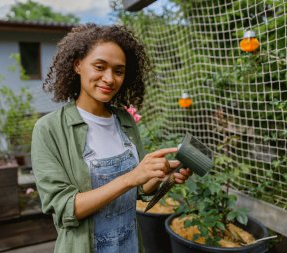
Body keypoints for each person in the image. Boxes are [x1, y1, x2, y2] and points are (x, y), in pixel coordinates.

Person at [31, 23, 191, 253]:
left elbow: (139, 189)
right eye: (99, 66)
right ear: (78, 65)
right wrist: (130, 178)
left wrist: (161, 175)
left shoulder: (124, 120)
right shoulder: (49, 129)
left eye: (118, 71)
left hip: (131, 245)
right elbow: (65, 207)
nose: (109, 78)